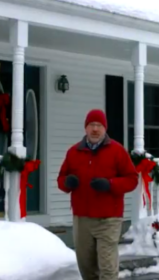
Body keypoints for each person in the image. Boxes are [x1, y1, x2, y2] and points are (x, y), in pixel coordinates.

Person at [57, 109, 139, 280]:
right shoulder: (74, 152)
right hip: (82, 219)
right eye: (91, 125)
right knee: (86, 268)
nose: (95, 129)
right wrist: (67, 183)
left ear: (105, 128)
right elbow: (61, 179)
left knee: (107, 268)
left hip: (108, 219)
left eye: (99, 125)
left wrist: (110, 184)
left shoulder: (117, 151)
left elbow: (132, 179)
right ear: (85, 128)